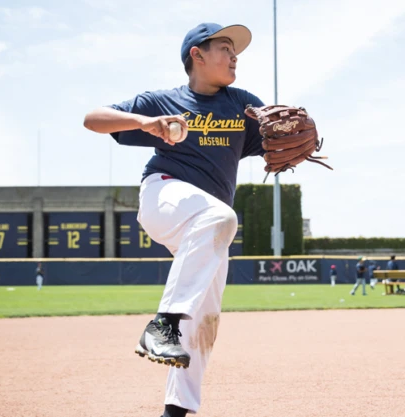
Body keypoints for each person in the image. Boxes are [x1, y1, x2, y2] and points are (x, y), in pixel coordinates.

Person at [83, 22, 273, 416]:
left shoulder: (242, 103)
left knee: (204, 321)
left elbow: (276, 138)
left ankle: (175, 411)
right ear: (196, 55)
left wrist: (293, 143)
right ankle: (163, 324)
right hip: (164, 194)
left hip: (207, 225)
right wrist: (144, 123)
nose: (234, 55)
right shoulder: (166, 101)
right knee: (222, 217)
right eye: (224, 47)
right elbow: (93, 118)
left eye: (235, 49)